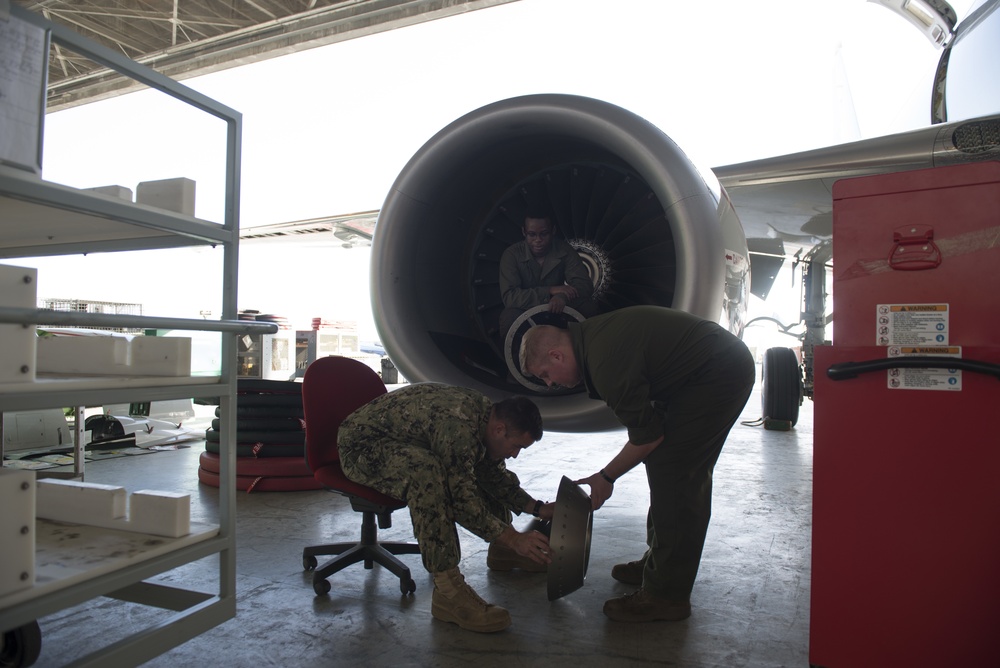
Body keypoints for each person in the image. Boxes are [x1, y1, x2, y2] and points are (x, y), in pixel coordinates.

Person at [518, 305, 755, 623]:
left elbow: (647, 438)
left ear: (556, 355)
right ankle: (660, 564)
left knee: (677, 473)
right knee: (664, 465)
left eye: (545, 375)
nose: (549, 384)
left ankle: (666, 595)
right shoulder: (593, 341)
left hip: (717, 374)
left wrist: (605, 477)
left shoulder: (605, 364)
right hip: (702, 372)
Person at [337, 383, 554, 633]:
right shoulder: (458, 427)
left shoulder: (485, 417)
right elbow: (461, 501)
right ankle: (448, 591)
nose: (515, 454)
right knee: (426, 472)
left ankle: (502, 551)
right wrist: (514, 538)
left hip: (395, 439)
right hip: (360, 446)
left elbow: (491, 472)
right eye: (516, 446)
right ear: (499, 429)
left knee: (485, 459)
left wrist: (537, 508)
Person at [498, 210, 600, 338]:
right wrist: (550, 291)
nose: (538, 240)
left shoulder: (565, 250)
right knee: (508, 318)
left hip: (560, 308)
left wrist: (563, 296)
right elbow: (510, 297)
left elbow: (584, 284)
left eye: (544, 234)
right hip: (525, 308)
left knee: (589, 307)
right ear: (524, 232)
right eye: (532, 234)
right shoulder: (511, 255)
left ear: (553, 231)